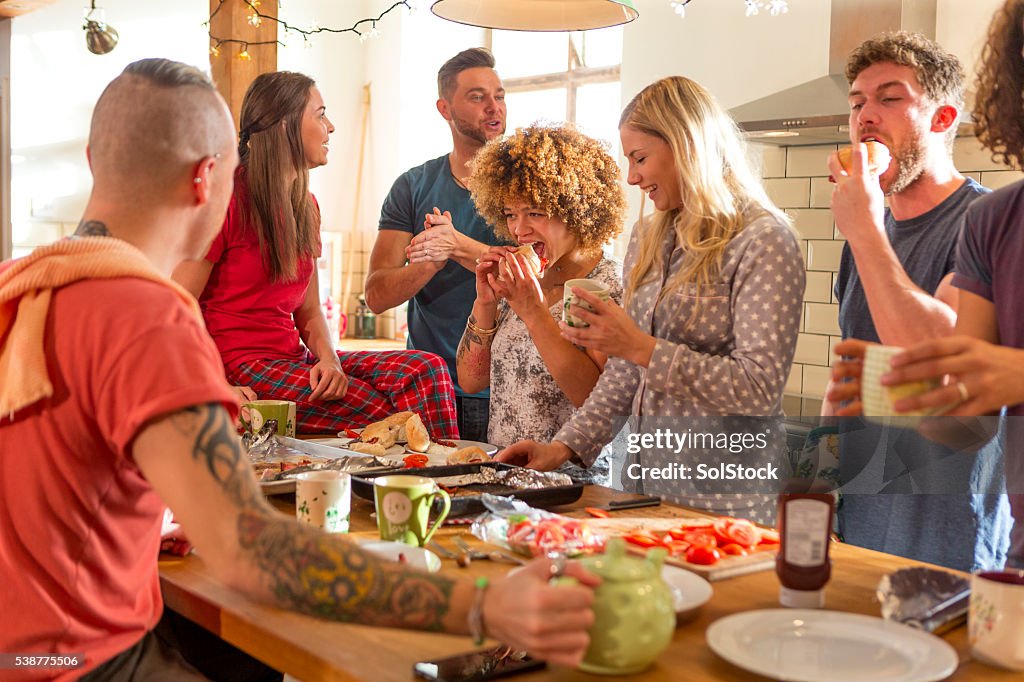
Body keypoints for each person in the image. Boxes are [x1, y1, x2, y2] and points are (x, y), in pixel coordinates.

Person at [0, 59, 598, 680]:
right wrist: (486, 606)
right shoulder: (150, 320)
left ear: (96, 159)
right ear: (210, 179)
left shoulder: (19, 289)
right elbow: (252, 552)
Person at [498, 76, 804, 524]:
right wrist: (562, 447)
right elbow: (624, 374)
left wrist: (642, 347)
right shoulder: (648, 238)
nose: (632, 176)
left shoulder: (763, 239)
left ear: (686, 145)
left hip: (728, 499)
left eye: (640, 158)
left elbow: (758, 388)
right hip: (643, 487)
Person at [830, 1, 1024, 567]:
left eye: (889, 98)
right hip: (864, 519)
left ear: (943, 119)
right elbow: (847, 371)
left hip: (950, 534)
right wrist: (814, 480)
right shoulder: (862, 231)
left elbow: (945, 365)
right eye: (857, 103)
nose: (866, 115)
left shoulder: (980, 220)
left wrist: (864, 228)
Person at [172, 71, 458, 439]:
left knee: (426, 371)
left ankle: (452, 483)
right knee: (387, 412)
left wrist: (329, 360)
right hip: (238, 367)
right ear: (286, 124)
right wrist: (213, 385)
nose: (331, 127)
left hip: (292, 361)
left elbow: (307, 311)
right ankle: (435, 485)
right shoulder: (224, 199)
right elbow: (176, 308)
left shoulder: (306, 207)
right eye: (320, 114)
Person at [454, 124, 624, 459]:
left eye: (535, 213)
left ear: (577, 209)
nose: (518, 229)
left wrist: (533, 311)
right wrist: (485, 302)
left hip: (576, 484)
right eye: (510, 215)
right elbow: (471, 382)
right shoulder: (522, 280)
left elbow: (594, 398)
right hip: (506, 472)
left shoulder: (608, 286)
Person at [365, 48, 508, 442]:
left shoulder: (526, 186)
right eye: (477, 97)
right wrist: (427, 264)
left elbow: (534, 273)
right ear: (445, 109)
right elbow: (376, 295)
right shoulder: (412, 187)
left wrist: (455, 243)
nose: (493, 107)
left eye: (499, 95)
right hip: (427, 387)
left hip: (504, 388)